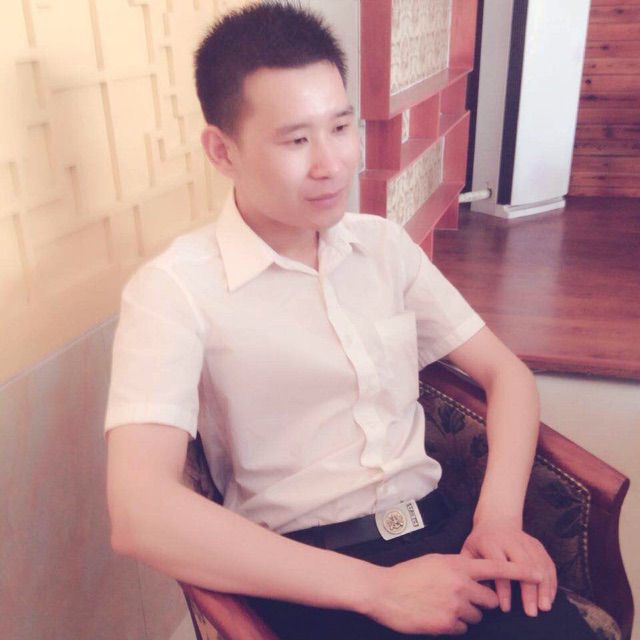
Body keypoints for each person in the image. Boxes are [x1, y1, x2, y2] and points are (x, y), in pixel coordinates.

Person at [105, 3, 596, 638]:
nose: (331, 163)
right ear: (222, 151)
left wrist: (498, 518)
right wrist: (379, 590)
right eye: (296, 140)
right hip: (309, 579)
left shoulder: (383, 248)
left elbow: (507, 374)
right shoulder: (173, 290)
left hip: (444, 536)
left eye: (341, 127)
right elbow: (140, 512)